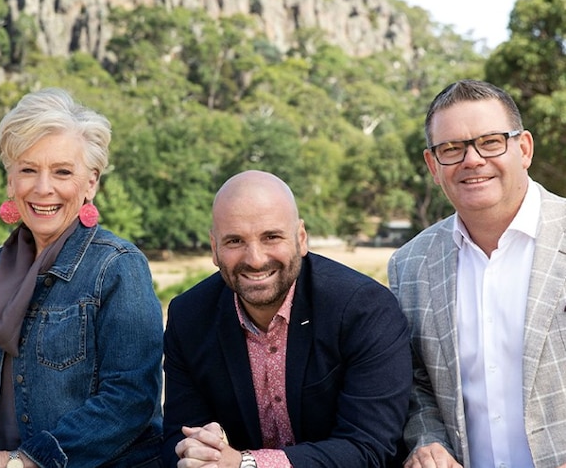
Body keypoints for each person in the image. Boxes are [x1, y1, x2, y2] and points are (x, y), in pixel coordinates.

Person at [0, 87, 163, 468]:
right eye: (28, 169)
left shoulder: (118, 267)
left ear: (91, 183)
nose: (43, 188)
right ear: (10, 181)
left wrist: (21, 462)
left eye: (62, 171)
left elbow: (130, 399)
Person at [163, 170, 412, 468]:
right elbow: (174, 443)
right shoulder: (188, 317)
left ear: (301, 238)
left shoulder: (364, 309)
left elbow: (369, 448)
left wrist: (246, 464)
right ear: (214, 248)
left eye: (271, 237)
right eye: (234, 241)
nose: (255, 259)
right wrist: (200, 451)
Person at [388, 79, 566, 468]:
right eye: (451, 149)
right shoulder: (410, 265)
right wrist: (426, 441)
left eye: (490, 142)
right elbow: (414, 383)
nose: (472, 160)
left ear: (524, 149)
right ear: (433, 166)